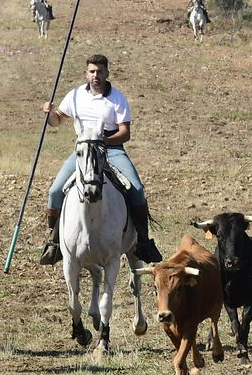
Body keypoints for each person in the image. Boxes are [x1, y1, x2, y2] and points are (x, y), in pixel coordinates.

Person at [38, 54, 163, 266]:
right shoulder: (75, 95)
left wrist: (103, 140)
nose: (96, 75)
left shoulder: (117, 98)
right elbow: (57, 121)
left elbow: (125, 133)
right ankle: (54, 242)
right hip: (83, 151)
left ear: (107, 73)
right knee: (55, 191)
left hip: (112, 150)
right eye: (92, 71)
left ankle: (143, 241)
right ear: (86, 74)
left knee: (137, 190)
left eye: (100, 71)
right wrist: (49, 113)